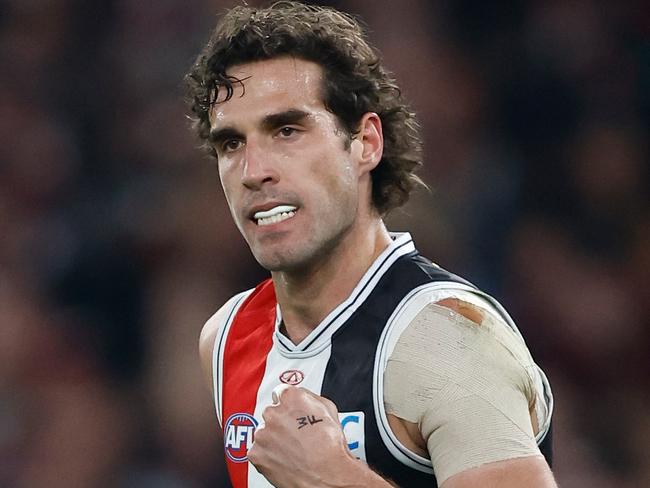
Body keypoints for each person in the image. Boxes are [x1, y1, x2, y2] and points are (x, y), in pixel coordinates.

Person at [185, 2, 555, 487]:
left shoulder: (446, 339)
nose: (254, 171)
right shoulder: (226, 337)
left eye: (287, 130)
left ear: (365, 142)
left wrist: (333, 479)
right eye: (231, 143)